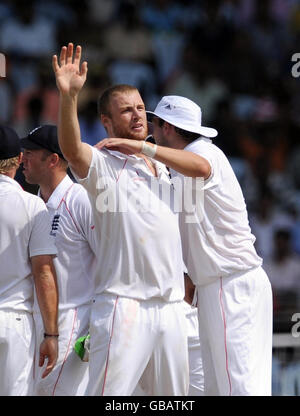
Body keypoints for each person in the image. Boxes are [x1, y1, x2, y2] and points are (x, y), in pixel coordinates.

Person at [97, 95, 273, 396]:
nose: (150, 128)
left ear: (167, 126)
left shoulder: (203, 151)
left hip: (231, 284)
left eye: (154, 123)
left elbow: (202, 168)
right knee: (219, 389)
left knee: (240, 389)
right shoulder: (174, 167)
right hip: (216, 286)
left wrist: (142, 147)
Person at [52, 43, 189, 396]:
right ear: (106, 121)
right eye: (126, 110)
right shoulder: (104, 165)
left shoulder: (165, 165)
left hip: (172, 307)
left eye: (141, 107)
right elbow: (71, 149)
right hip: (124, 306)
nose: (137, 115)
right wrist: (68, 98)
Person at [21, 124, 98, 396]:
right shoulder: (33, 203)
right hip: (37, 322)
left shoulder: (81, 200)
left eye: (30, 153)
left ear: (53, 159)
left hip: (73, 322)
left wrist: (97, 325)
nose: (22, 159)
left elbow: (107, 260)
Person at [0, 125, 59, 396]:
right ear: (19, 160)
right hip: (15, 323)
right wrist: (51, 335)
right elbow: (43, 273)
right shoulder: (32, 205)